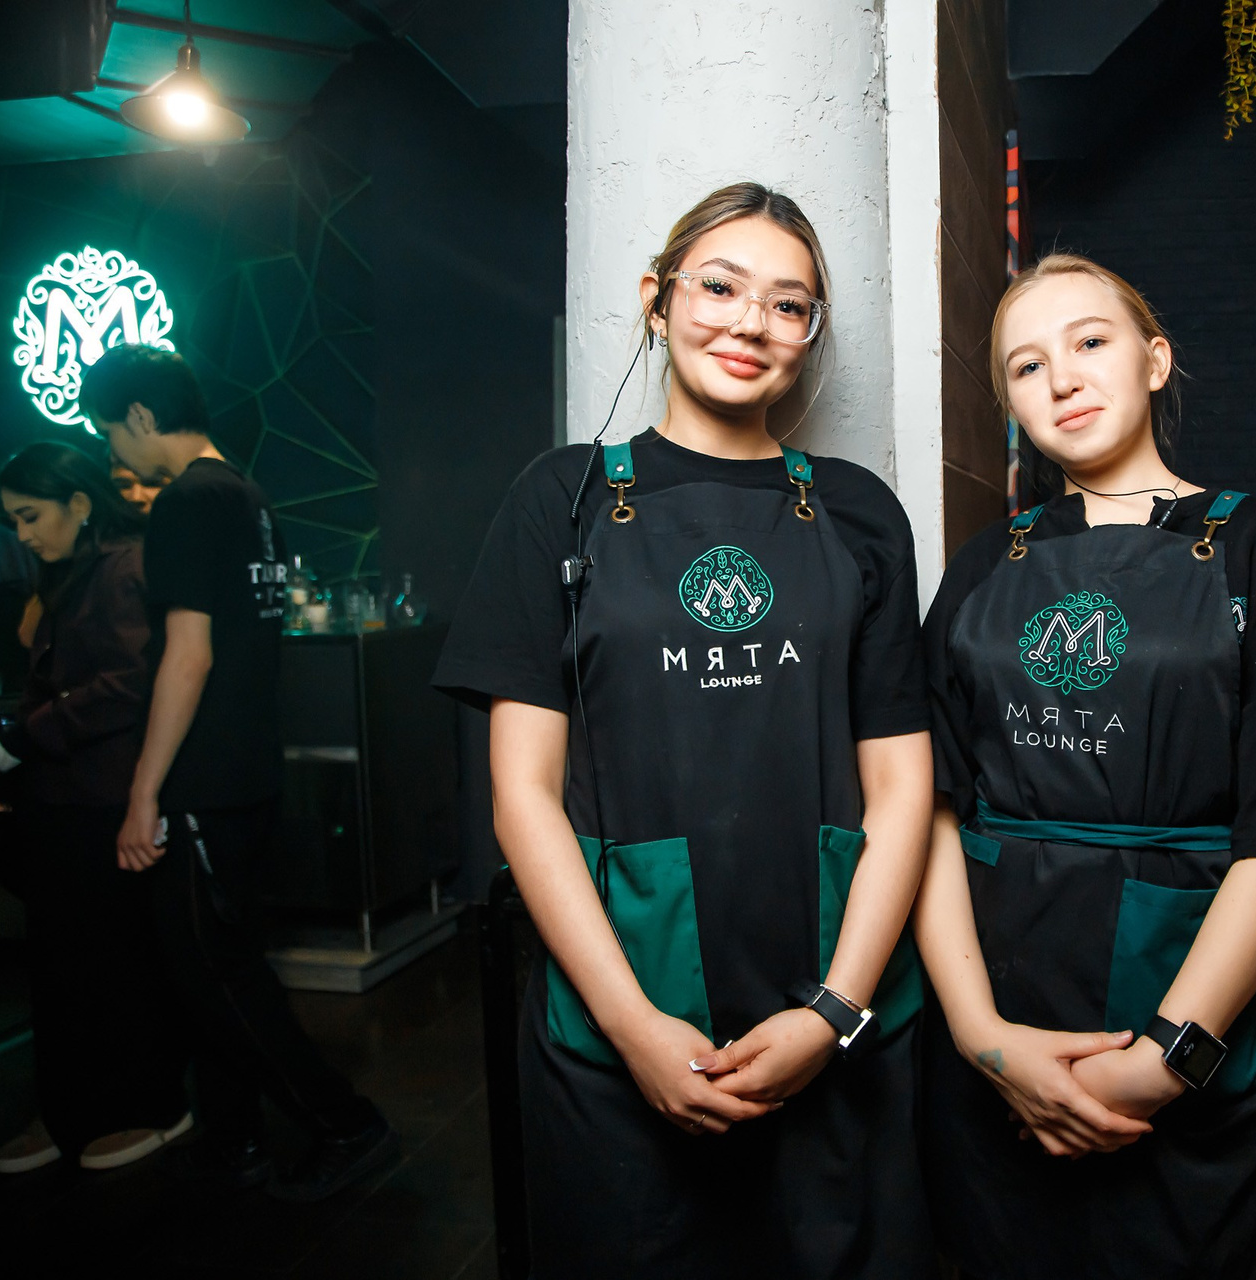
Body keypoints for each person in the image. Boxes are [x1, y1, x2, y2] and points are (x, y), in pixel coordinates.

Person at [434, 182, 935, 1277]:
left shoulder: (858, 510)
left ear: (810, 334)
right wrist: (631, 1024)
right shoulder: (559, 499)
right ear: (657, 301)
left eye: (789, 304)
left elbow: (904, 788)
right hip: (626, 1006)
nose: (751, 322)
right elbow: (524, 794)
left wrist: (835, 1010)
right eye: (719, 286)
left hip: (827, 983)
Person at [914, 254, 1256, 1278]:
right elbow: (932, 811)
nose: (1063, 378)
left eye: (1090, 341)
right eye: (1027, 366)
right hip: (996, 1032)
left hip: (1183, 1036)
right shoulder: (983, 565)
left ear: (1155, 360)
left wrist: (1168, 1060)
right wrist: (983, 1038)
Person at [82, 344, 394, 1202]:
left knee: (212, 975)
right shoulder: (247, 496)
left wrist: (143, 793)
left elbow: (188, 657)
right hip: (249, 771)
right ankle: (235, 1140)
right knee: (218, 967)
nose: (114, 451)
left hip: (203, 782)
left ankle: (345, 1124)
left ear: (140, 415)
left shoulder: (187, 502)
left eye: (111, 431)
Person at [0, 442, 191, 1176]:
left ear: (78, 503)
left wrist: (24, 737)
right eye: (13, 520)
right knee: (64, 965)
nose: (22, 534)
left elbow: (127, 683)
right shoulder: (74, 571)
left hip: (102, 794)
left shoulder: (124, 567)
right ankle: (71, 1111)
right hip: (65, 795)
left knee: (111, 962)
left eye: (30, 516)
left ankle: (147, 1106)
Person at [15, 459, 161, 651]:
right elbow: (29, 636)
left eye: (152, 483)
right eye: (122, 485)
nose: (136, 497)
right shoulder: (88, 558)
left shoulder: (128, 562)